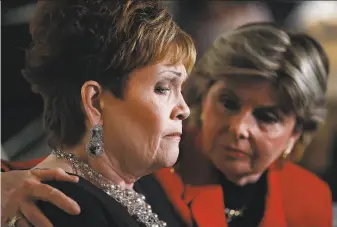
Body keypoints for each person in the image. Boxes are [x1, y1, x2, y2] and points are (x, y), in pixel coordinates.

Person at [2, 23, 332, 227]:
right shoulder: (152, 154)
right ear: (203, 97)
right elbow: (61, 169)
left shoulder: (308, 198)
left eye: (267, 117)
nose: (239, 127)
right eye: (228, 103)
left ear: (295, 135)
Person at [1, 0, 195, 226]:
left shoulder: (147, 184)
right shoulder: (63, 206)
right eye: (163, 88)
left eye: (181, 89)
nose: (184, 109)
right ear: (95, 102)